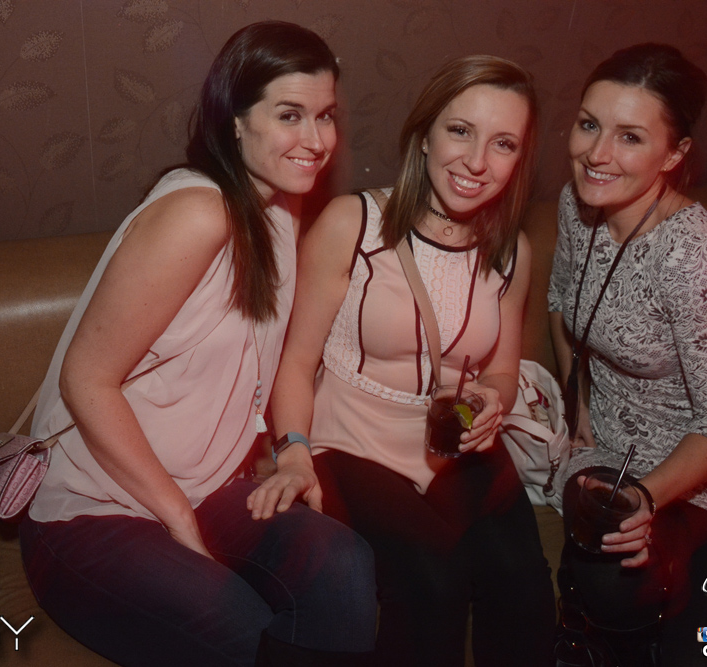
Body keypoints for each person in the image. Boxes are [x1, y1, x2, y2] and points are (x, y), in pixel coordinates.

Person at [18, 21, 376, 667]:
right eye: (289, 115)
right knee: (241, 628)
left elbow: (277, 360)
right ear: (235, 120)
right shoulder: (200, 212)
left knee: (342, 562)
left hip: (207, 488)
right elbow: (85, 380)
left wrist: (294, 451)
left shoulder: (279, 205)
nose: (317, 140)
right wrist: (180, 522)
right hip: (94, 512)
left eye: (325, 116)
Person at [250, 56, 556, 667]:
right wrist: (294, 451)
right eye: (460, 131)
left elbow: (503, 371)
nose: (476, 162)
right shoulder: (353, 223)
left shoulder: (511, 252)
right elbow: (296, 360)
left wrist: (492, 399)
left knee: (522, 585)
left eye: (503, 144)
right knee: (431, 585)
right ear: (424, 136)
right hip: (352, 436)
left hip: (454, 439)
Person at [548, 43, 707, 666]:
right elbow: (560, 303)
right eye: (589, 124)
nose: (597, 154)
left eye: (630, 137)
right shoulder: (578, 203)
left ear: (675, 154)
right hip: (612, 454)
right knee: (610, 589)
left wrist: (648, 498)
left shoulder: (691, 256)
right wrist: (579, 409)